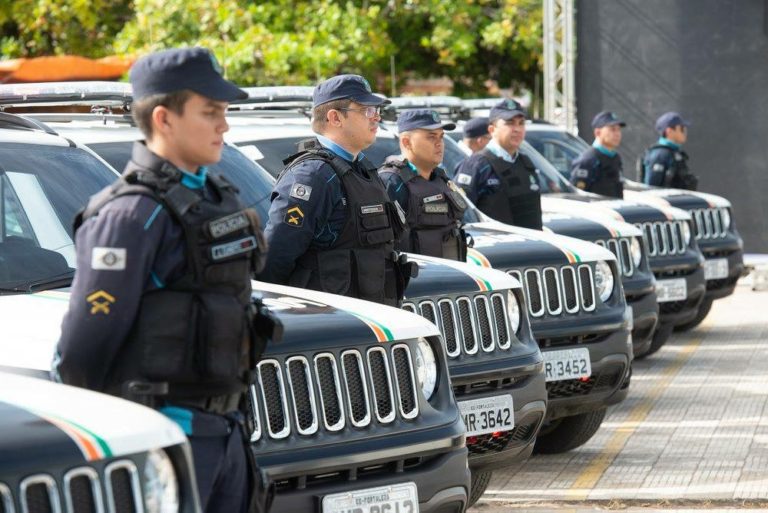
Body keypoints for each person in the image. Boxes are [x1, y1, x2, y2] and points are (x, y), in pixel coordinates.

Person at [53, 47, 274, 513]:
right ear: (164, 119)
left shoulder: (220, 198)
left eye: (225, 113)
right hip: (167, 437)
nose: (224, 126)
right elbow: (83, 350)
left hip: (229, 432)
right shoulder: (129, 215)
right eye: (210, 112)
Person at [258, 74, 412, 306]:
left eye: (377, 111)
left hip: (373, 321)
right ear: (335, 117)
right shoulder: (314, 175)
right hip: (330, 324)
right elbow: (275, 257)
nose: (377, 118)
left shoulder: (362, 169)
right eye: (367, 110)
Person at [378, 109, 468, 261]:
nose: (439, 143)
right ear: (406, 142)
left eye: (441, 137)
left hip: (451, 277)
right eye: (431, 137)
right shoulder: (392, 182)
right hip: (416, 281)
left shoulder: (441, 179)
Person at [454, 99, 543, 230]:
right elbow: (460, 216)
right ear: (492, 129)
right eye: (510, 123)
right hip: (495, 247)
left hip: (531, 246)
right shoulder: (476, 165)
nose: (517, 129)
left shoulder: (525, 163)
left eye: (521, 123)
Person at [569, 110, 626, 198]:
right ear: (598, 132)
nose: (617, 134)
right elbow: (577, 195)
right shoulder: (588, 160)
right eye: (612, 129)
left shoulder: (615, 157)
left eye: (618, 130)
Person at [640, 111, 697, 189]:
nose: (685, 132)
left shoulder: (675, 153)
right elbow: (651, 188)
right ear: (669, 131)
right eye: (681, 128)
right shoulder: (660, 154)